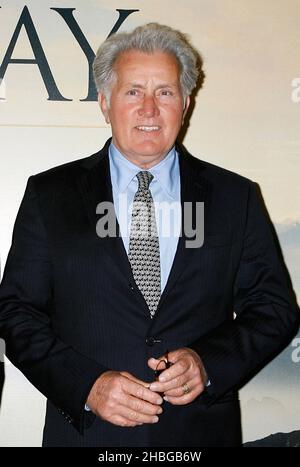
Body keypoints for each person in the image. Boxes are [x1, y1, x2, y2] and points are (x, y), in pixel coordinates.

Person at [0, 23, 299, 448]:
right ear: (104, 102)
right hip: (87, 438)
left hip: (199, 438)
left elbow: (273, 309)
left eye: (165, 92)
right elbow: (16, 312)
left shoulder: (236, 198)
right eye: (133, 91)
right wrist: (87, 385)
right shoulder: (50, 196)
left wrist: (207, 364)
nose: (149, 109)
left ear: (186, 103)